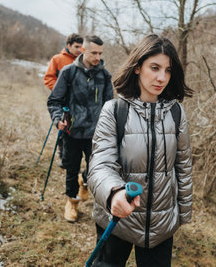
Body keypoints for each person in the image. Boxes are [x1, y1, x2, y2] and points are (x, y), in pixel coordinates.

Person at [88, 34, 193, 266]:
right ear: (137, 67)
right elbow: (100, 164)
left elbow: (183, 165)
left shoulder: (176, 114)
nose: (161, 77)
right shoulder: (114, 111)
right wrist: (113, 192)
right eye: (154, 67)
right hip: (117, 220)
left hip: (162, 225)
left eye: (167, 70)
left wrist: (183, 213)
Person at [47, 35, 113, 222]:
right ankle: (72, 203)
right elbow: (54, 101)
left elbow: (109, 107)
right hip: (72, 132)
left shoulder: (105, 76)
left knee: (95, 169)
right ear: (83, 50)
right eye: (94, 53)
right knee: (71, 169)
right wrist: (58, 117)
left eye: (100, 53)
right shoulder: (68, 72)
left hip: (96, 134)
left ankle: (84, 181)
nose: (97, 57)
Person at [43, 34, 83, 166]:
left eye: (81, 47)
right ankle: (63, 157)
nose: (79, 49)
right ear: (69, 45)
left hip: (79, 102)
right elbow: (48, 78)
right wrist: (60, 91)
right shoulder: (57, 59)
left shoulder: (84, 60)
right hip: (63, 101)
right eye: (76, 46)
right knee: (63, 128)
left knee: (76, 129)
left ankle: (74, 156)